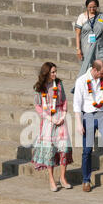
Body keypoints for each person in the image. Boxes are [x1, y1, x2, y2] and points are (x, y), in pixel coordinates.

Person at [73, 59, 103, 192]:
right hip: (87, 115)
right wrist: (78, 123)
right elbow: (77, 104)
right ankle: (86, 180)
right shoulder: (82, 81)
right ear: (94, 70)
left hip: (102, 113)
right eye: (101, 73)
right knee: (87, 150)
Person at [31, 62, 73, 192]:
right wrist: (49, 118)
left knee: (64, 149)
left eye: (55, 72)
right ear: (47, 73)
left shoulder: (59, 84)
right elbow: (37, 105)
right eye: (52, 72)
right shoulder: (40, 87)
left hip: (60, 118)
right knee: (50, 150)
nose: (55, 74)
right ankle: (51, 179)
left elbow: (64, 99)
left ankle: (63, 177)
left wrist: (63, 115)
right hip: (48, 120)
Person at [71, 0, 103, 94]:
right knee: (89, 67)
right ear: (86, 7)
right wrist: (78, 49)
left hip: (101, 45)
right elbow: (77, 34)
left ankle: (102, 87)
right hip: (87, 47)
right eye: (90, 7)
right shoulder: (82, 17)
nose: (92, 9)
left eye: (94, 7)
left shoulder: (101, 17)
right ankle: (87, 88)